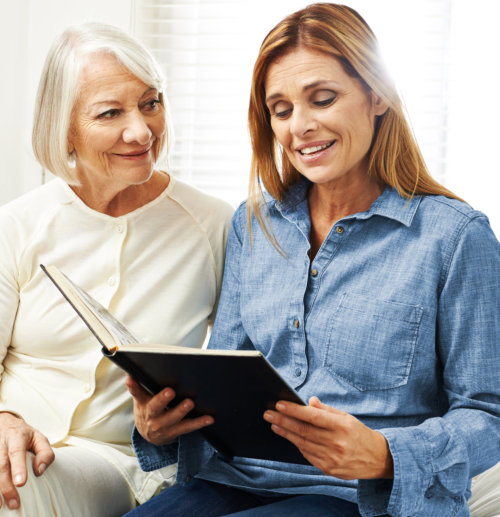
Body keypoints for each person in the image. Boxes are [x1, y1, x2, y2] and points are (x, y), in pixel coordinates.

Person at [125, 3, 500, 516]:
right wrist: (162, 425)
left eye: (322, 99)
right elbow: (226, 375)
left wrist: (386, 454)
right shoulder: (254, 224)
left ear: (377, 95)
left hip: (363, 500)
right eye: (281, 110)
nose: (300, 126)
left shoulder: (454, 237)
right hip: (232, 482)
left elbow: (489, 414)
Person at [0, 22, 233, 517]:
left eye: (151, 103)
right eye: (110, 113)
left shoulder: (213, 224)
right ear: (62, 127)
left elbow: (242, 364)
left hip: (126, 461)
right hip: (16, 439)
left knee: (16, 491)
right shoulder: (18, 225)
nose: (141, 130)